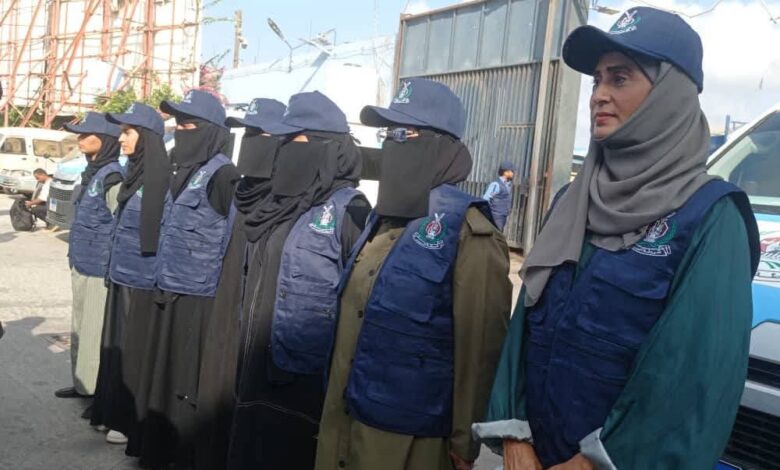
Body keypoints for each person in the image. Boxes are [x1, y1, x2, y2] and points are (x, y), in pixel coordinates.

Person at [472, 8, 760, 470]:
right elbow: (526, 320)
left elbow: (692, 379)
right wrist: (513, 432)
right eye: (596, 80)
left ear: (669, 94)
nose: (599, 95)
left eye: (620, 78)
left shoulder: (711, 216)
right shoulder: (572, 201)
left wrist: (595, 462)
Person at [315, 78, 511, 470]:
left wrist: (465, 441)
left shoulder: (468, 232)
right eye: (387, 135)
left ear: (440, 146)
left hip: (408, 442)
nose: (392, 145)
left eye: (402, 134)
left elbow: (479, 349)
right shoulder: (379, 222)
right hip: (344, 424)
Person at [227, 91, 371, 470]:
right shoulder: (275, 203)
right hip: (257, 365)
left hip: (306, 379)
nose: (285, 148)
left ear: (326, 146)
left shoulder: (350, 210)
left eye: (295, 139)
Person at [126, 90, 240, 469]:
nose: (182, 132)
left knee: (184, 385)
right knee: (161, 376)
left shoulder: (224, 176)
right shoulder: (177, 171)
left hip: (199, 299)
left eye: (191, 126)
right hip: (167, 287)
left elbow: (231, 244)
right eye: (179, 125)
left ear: (211, 131)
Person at [192, 97, 286, 470]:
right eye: (248, 132)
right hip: (224, 298)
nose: (251, 142)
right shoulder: (239, 188)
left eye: (260, 134)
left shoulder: (283, 197)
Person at [90, 102, 170, 445]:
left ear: (147, 137)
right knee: (115, 347)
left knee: (133, 352)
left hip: (142, 279)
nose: (122, 138)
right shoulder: (133, 174)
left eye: (128, 132)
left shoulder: (160, 179)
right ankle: (109, 410)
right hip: (121, 272)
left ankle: (127, 419)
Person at [56, 112, 124, 410]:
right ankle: (82, 383)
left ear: (105, 139)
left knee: (94, 329)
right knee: (79, 324)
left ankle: (96, 392)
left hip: (98, 266)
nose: (80, 139)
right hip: (81, 260)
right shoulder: (92, 172)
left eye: (86, 135)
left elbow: (119, 223)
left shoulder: (112, 177)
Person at [483, 160, 515, 231]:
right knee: (496, 233)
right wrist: (490, 212)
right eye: (511, 171)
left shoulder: (508, 184)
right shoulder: (496, 184)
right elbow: (485, 198)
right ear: (505, 172)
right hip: (496, 216)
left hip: (502, 216)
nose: (513, 173)